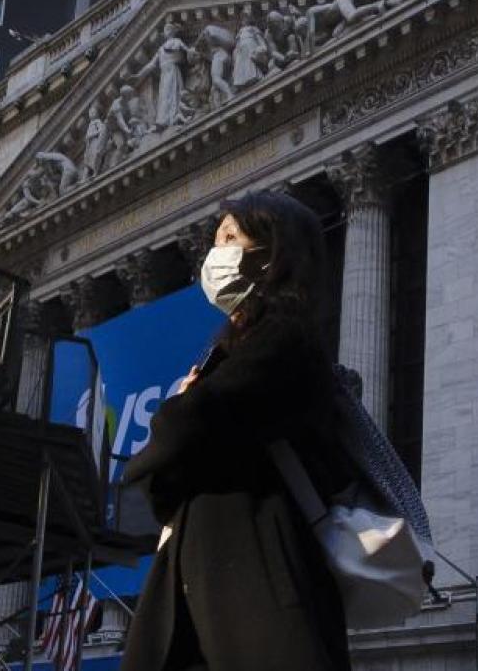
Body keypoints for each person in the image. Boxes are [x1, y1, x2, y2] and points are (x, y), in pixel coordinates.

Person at [120, 191, 353, 671]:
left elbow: (186, 426)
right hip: (201, 578)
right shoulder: (236, 348)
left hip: (254, 578)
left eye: (229, 237)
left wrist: (180, 408)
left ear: (271, 254)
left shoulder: (288, 339)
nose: (215, 253)